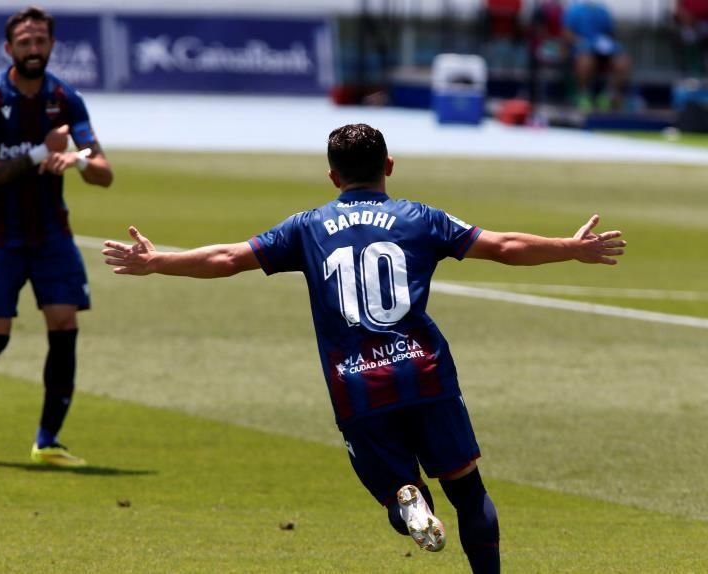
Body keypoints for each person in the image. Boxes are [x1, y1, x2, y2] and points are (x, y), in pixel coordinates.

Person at [102, 124, 625, 572]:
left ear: (333, 176)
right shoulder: (422, 217)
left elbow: (227, 258)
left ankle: (408, 502)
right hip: (425, 371)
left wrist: (159, 261)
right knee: (467, 491)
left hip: (356, 385)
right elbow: (505, 247)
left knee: (402, 498)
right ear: (389, 166)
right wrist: (572, 249)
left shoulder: (307, 227)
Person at [0, 6, 113, 468]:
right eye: (25, 42)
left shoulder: (66, 99)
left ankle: (47, 440)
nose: (34, 49)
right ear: (9, 48)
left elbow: (104, 173)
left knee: (64, 326)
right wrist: (39, 153)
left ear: (52, 45)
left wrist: (78, 162)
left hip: (51, 232)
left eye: (41, 41)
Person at [562, 0, 632, 112]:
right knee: (586, 61)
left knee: (623, 62)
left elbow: (610, 33)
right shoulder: (574, 9)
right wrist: (582, 43)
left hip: (603, 51)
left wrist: (606, 44)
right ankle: (584, 95)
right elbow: (567, 33)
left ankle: (608, 95)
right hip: (583, 51)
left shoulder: (603, 10)